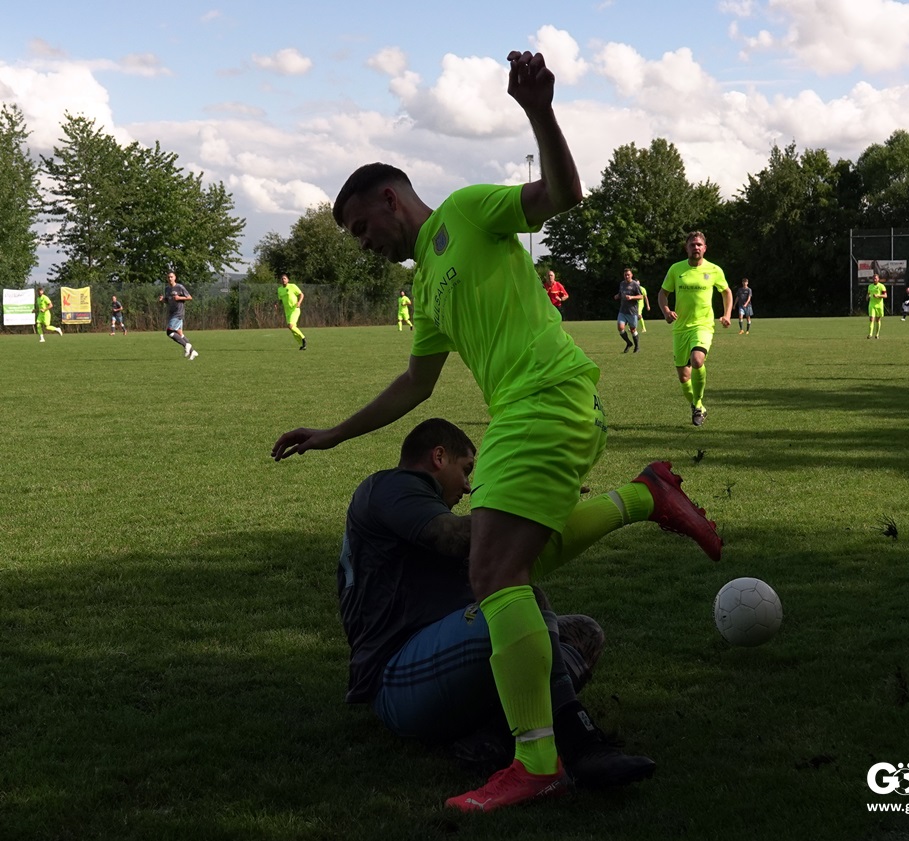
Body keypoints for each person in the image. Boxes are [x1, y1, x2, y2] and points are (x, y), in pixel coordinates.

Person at [273, 48, 722, 813]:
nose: (362, 243)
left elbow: (564, 193)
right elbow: (416, 383)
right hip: (524, 409)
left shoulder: (467, 211)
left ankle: (537, 760)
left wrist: (539, 111)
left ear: (390, 199)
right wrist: (335, 433)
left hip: (545, 395)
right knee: (519, 559)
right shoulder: (429, 284)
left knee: (493, 576)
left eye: (360, 227)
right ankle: (645, 496)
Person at [341, 417, 659, 789]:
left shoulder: (409, 505)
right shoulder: (394, 485)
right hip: (396, 680)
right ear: (438, 457)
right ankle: (578, 740)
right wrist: (533, 505)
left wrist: (546, 507)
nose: (468, 485)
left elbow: (505, 549)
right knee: (522, 601)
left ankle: (492, 736)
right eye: (466, 469)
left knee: (583, 634)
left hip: (439, 667)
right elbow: (453, 537)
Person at [659, 232, 733, 427]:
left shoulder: (714, 270)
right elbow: (663, 293)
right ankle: (698, 406)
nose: (696, 247)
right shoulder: (676, 269)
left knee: (697, 360)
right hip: (680, 328)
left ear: (705, 248)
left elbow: (726, 292)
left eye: (699, 244)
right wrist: (666, 311)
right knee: (684, 377)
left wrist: (727, 314)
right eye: (692, 245)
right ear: (687, 248)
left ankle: (698, 405)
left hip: (703, 325)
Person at [158, 271, 198, 360]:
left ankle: (186, 345)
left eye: (171, 277)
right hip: (171, 313)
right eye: (168, 277)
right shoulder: (167, 289)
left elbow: (189, 297)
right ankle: (192, 351)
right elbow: (168, 300)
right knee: (180, 333)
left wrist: (179, 297)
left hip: (178, 313)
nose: (170, 278)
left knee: (169, 332)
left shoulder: (179, 287)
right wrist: (163, 300)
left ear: (175, 277)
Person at [614, 268, 642, 353]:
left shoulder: (635, 284)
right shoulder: (622, 284)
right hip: (623, 310)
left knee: (633, 329)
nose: (626, 276)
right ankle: (629, 343)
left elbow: (641, 296)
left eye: (628, 275)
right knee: (620, 328)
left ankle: (637, 347)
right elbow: (621, 293)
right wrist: (617, 296)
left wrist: (632, 297)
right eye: (625, 275)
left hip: (632, 311)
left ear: (631, 275)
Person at [277, 274, 307, 350]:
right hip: (287, 311)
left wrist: (299, 302)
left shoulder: (292, 286)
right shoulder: (279, 289)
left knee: (290, 326)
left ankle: (303, 338)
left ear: (288, 280)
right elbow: (280, 300)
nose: (283, 280)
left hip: (295, 309)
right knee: (292, 328)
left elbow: (301, 294)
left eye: (285, 278)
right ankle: (302, 344)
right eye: (282, 279)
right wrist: (277, 305)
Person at [866, 272, 887, 339]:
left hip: (879, 305)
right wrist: (867, 297)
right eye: (873, 278)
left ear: (878, 279)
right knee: (871, 319)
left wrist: (878, 296)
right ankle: (870, 334)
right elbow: (868, 295)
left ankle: (877, 334)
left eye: (875, 278)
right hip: (872, 304)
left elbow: (885, 295)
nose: (874, 279)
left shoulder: (881, 286)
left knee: (877, 320)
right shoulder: (870, 286)